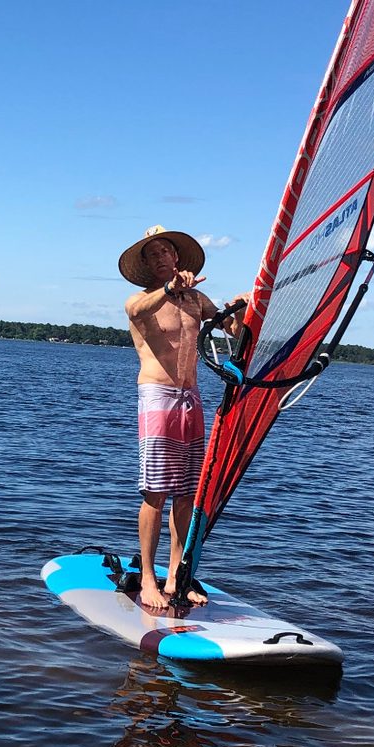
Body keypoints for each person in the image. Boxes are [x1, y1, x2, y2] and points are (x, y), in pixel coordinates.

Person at [120, 224, 240, 615]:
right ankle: (150, 579)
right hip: (157, 396)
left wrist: (243, 307)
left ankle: (176, 576)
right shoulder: (139, 302)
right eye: (151, 254)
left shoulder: (196, 300)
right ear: (146, 264)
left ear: (176, 258)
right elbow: (139, 311)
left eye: (164, 252)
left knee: (188, 492)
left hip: (192, 399)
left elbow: (232, 331)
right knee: (154, 491)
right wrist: (169, 291)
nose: (159, 258)